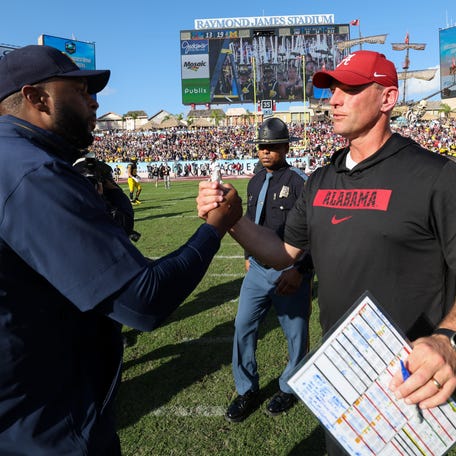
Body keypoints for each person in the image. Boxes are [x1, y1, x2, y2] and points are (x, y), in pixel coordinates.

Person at [197, 50, 456, 455]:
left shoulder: (435, 176)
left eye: (350, 88)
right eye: (332, 88)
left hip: (411, 375)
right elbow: (282, 252)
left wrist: (447, 339)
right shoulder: (320, 180)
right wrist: (231, 218)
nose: (333, 98)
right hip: (342, 375)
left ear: (388, 99)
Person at [0, 44, 242, 456]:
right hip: (44, 424)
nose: (94, 101)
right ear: (36, 98)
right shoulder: (34, 172)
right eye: (79, 91)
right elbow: (143, 302)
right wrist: (216, 227)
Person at [224, 118, 313, 423]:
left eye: (272, 146)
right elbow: (250, 223)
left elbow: (315, 232)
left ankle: (289, 387)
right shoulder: (254, 180)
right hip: (258, 271)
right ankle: (246, 388)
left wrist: (300, 270)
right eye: (261, 146)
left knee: (296, 335)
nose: (265, 151)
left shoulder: (301, 182)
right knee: (243, 327)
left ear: (286, 147)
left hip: (290, 271)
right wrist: (249, 253)